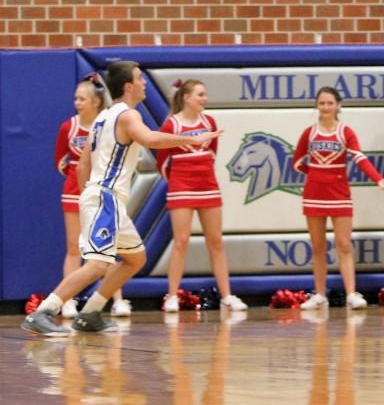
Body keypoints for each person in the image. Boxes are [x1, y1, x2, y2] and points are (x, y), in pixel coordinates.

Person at [23, 61, 223, 336]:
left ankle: (91, 311)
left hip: (104, 198)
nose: (143, 83)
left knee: (135, 259)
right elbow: (150, 139)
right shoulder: (128, 116)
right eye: (140, 79)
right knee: (98, 264)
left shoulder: (101, 118)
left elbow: (82, 166)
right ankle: (44, 311)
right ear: (128, 86)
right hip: (105, 198)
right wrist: (191, 139)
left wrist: (88, 198)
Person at [292, 87, 384, 310]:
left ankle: (351, 294)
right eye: (322, 103)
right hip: (314, 195)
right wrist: (317, 174)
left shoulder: (345, 132)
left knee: (344, 245)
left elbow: (359, 158)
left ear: (338, 105)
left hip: (339, 194)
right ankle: (319, 294)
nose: (326, 107)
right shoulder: (309, 133)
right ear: (316, 106)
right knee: (318, 247)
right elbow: (297, 162)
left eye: (330, 103)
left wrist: (378, 179)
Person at [156, 80, 247, 313]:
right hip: (181, 187)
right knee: (181, 242)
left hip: (208, 185)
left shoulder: (210, 122)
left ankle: (227, 296)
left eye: (205, 95)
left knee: (216, 242)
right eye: (200, 95)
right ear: (186, 97)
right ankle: (172, 296)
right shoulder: (171, 125)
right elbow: (162, 162)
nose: (204, 99)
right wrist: (178, 183)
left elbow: (212, 152)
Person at [54, 74, 131, 319]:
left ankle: (115, 300)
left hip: (101, 192)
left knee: (107, 250)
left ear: (96, 101)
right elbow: (60, 161)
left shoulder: (106, 123)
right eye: (75, 98)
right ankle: (67, 301)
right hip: (74, 192)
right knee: (73, 248)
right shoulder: (69, 126)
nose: (77, 102)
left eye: (82, 98)